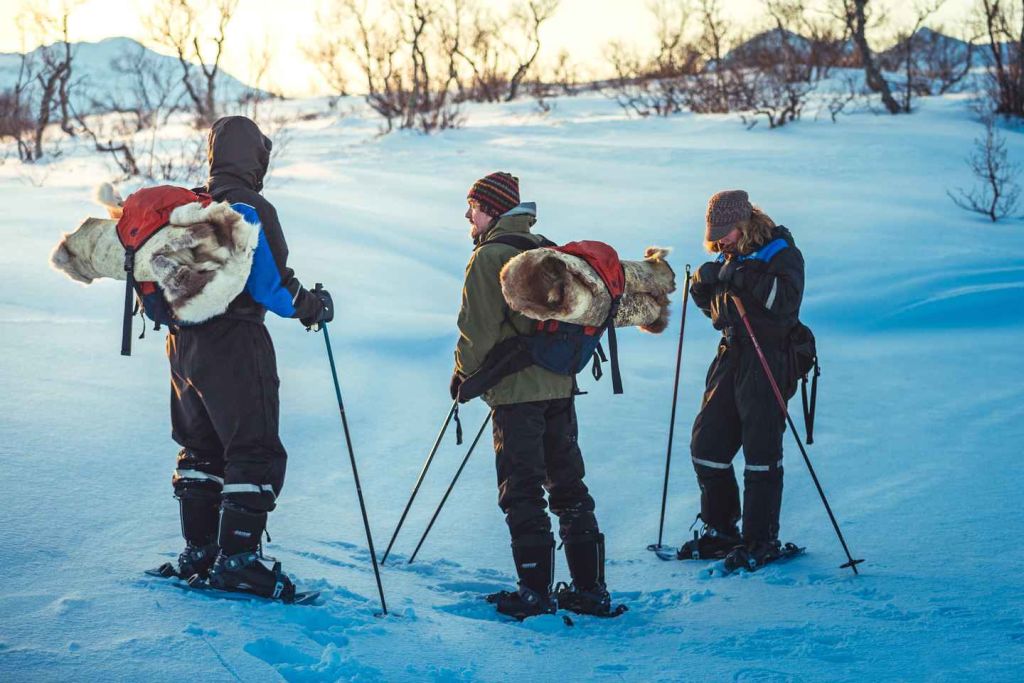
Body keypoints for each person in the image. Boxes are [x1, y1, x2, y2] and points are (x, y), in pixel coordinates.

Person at [161, 116, 333, 600]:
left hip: (182, 346)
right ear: (256, 158)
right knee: (253, 448)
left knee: (200, 447)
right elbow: (271, 287)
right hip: (235, 341)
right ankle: (238, 561)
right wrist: (312, 307)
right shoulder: (249, 207)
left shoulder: (191, 207)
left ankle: (199, 553)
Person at [450, 172, 617, 619]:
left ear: (493, 210)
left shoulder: (490, 257)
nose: (468, 215)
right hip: (560, 386)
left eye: (474, 207)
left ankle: (535, 593)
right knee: (568, 485)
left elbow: (477, 330)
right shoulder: (544, 248)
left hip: (517, 394)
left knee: (521, 490)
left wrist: (463, 373)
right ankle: (590, 590)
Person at [682, 189, 805, 570]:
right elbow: (719, 313)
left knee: (760, 450)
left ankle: (760, 539)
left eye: (726, 233)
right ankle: (721, 529)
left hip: (770, 356)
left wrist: (742, 276)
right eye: (715, 236)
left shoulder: (781, 253)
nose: (721, 242)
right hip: (732, 354)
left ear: (745, 224)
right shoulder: (729, 257)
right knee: (707, 444)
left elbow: (784, 303)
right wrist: (702, 287)